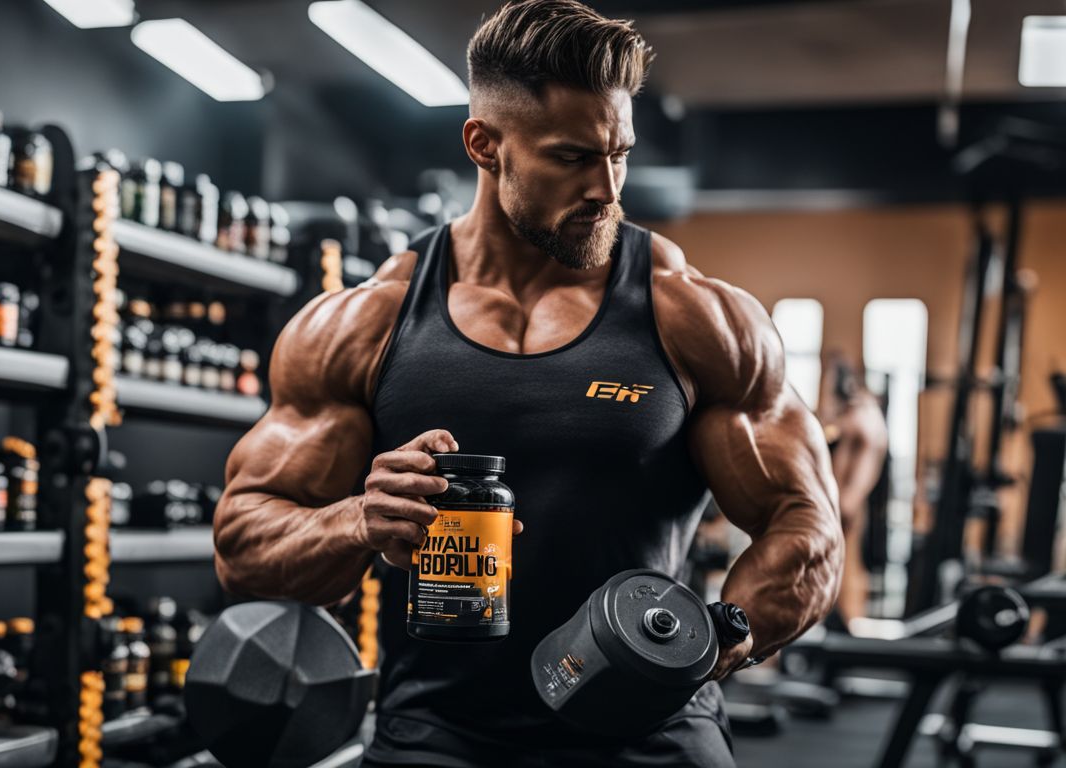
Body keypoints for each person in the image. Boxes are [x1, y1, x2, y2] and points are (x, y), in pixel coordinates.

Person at [213, 2, 843, 765]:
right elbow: (244, 540)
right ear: (485, 144)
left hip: (650, 733)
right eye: (574, 158)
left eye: (620, 154)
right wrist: (355, 523)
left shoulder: (697, 318)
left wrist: (716, 640)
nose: (608, 189)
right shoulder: (365, 323)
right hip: (438, 734)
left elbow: (806, 526)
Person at [819, 352, 890, 627]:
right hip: (846, 501)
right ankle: (843, 622)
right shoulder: (861, 417)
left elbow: (858, 469)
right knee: (847, 562)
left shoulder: (860, 420)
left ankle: (845, 623)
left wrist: (844, 502)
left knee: (843, 563)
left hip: (846, 502)